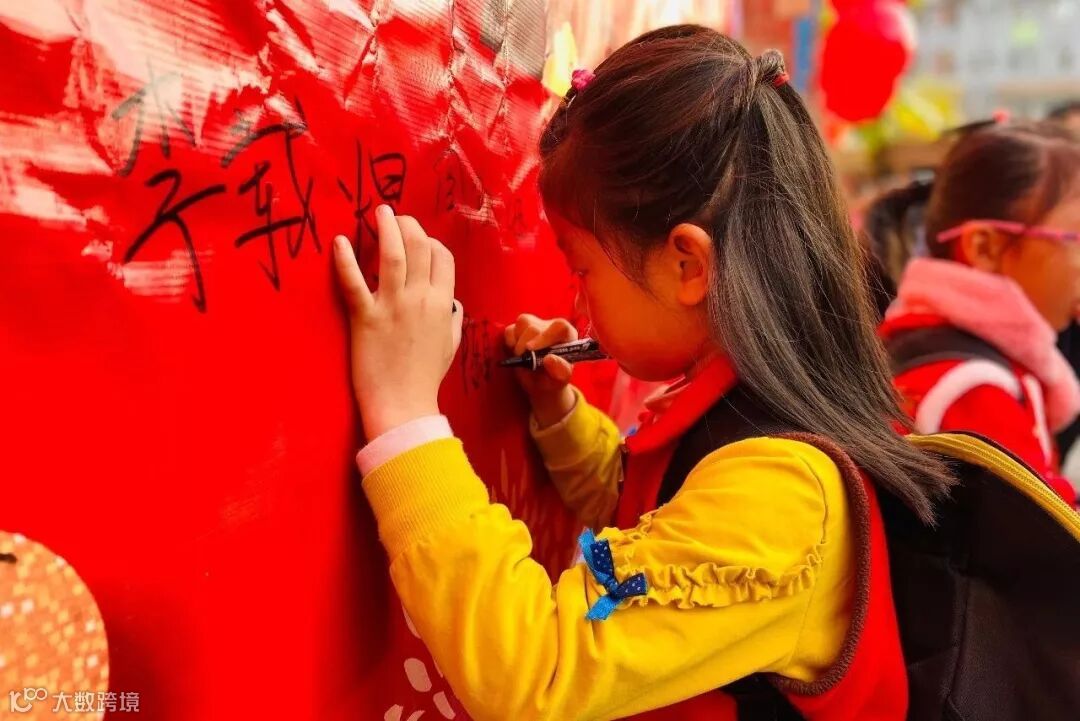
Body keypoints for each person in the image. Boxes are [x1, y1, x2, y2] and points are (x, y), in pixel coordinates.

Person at [332, 25, 953, 721]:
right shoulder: (742, 414)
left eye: (582, 270)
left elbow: (541, 669)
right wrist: (560, 416)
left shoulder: (786, 497)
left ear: (688, 264)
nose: (577, 307)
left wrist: (405, 414)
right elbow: (646, 511)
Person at [872, 121, 1080, 505]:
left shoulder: (938, 347)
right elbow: (1040, 536)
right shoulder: (972, 389)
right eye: (1076, 240)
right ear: (985, 248)